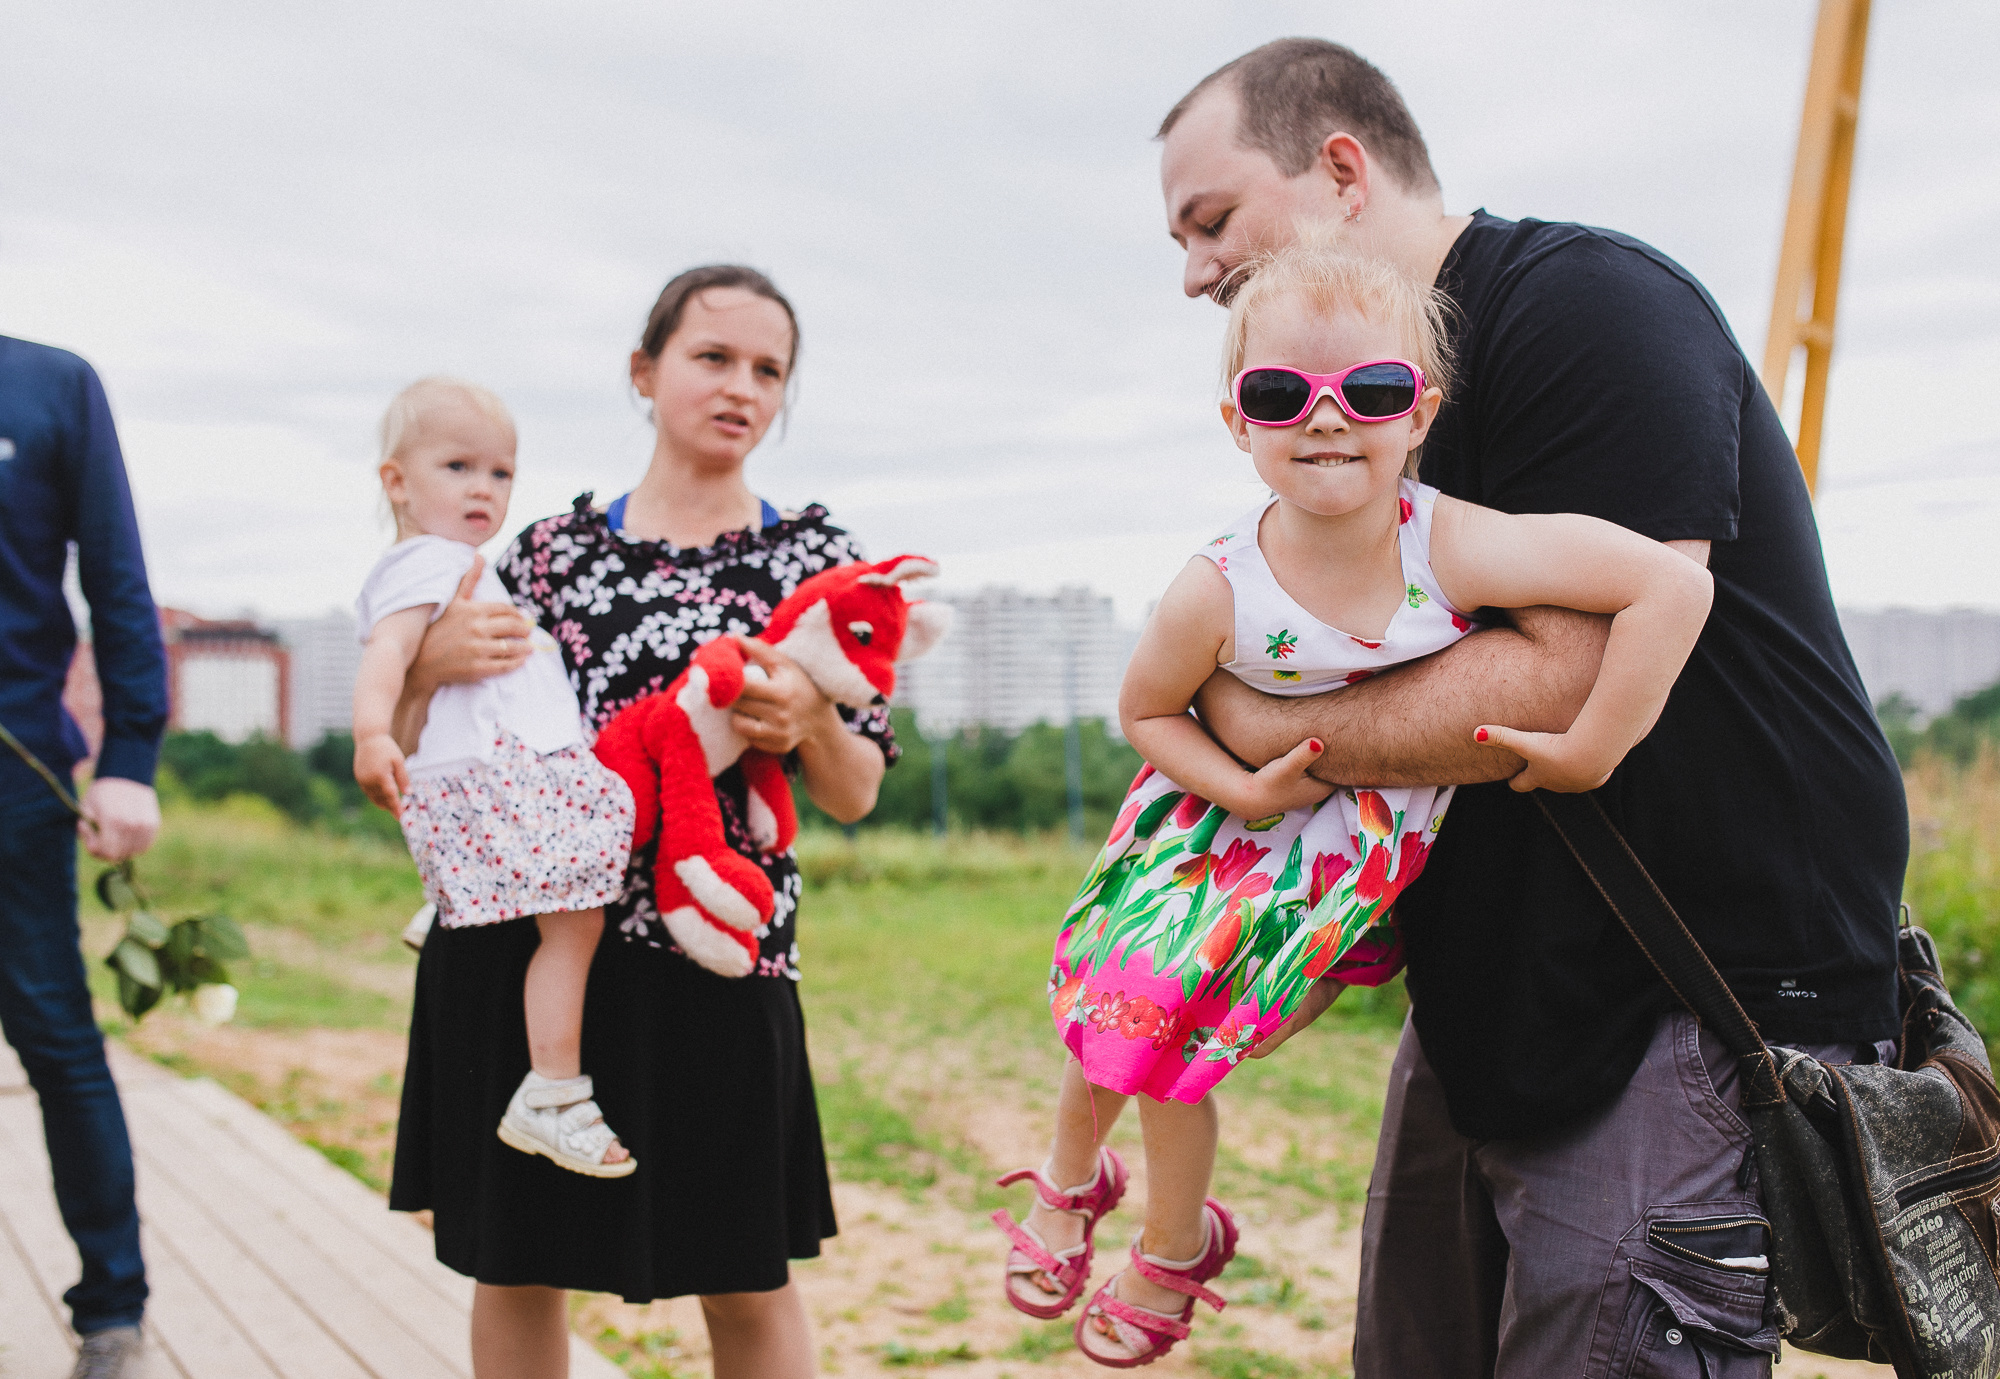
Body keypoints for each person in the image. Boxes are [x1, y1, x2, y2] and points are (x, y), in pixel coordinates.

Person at [1151, 39, 1908, 1377]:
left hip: (1682, 990)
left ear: (1340, 170)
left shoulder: (1586, 307)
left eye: (1212, 219)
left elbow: (1571, 663)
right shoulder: (1351, 419)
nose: (1195, 266)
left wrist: (1268, 731)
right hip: (1496, 996)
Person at [997, 244, 1713, 1366]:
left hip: (1338, 854)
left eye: (1367, 391)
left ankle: (1107, 1193)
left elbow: (1671, 583)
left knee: (1163, 1026)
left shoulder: (1449, 541)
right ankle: (1147, 1224)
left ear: (1418, 411)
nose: (1325, 419)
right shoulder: (1217, 584)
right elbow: (1146, 712)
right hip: (1203, 819)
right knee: (1120, 994)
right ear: (1236, 421)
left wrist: (1593, 743)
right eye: (1280, 394)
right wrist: (1239, 782)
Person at [388, 265, 892, 1379]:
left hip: (716, 954)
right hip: (529, 955)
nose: (741, 387)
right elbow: (426, 723)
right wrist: (423, 664)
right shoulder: (543, 554)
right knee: (514, 1263)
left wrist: (810, 716)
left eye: (769, 370)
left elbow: (855, 789)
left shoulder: (819, 564)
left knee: (746, 1274)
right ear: (643, 372)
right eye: (712, 357)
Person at [353, 378, 637, 1178]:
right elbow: (387, 652)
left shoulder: (455, 562)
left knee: (579, 892)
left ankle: (461, 892)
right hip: (494, 771)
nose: (484, 487)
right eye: (457, 466)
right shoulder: (426, 563)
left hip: (493, 774)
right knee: (577, 921)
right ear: (397, 481)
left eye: (501, 472)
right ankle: (552, 1090)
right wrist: (373, 731)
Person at [0, 335, 168, 1379]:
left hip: (18, 783)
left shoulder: (53, 386)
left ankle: (113, 1311)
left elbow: (116, 577)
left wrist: (130, 754)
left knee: (58, 1041)